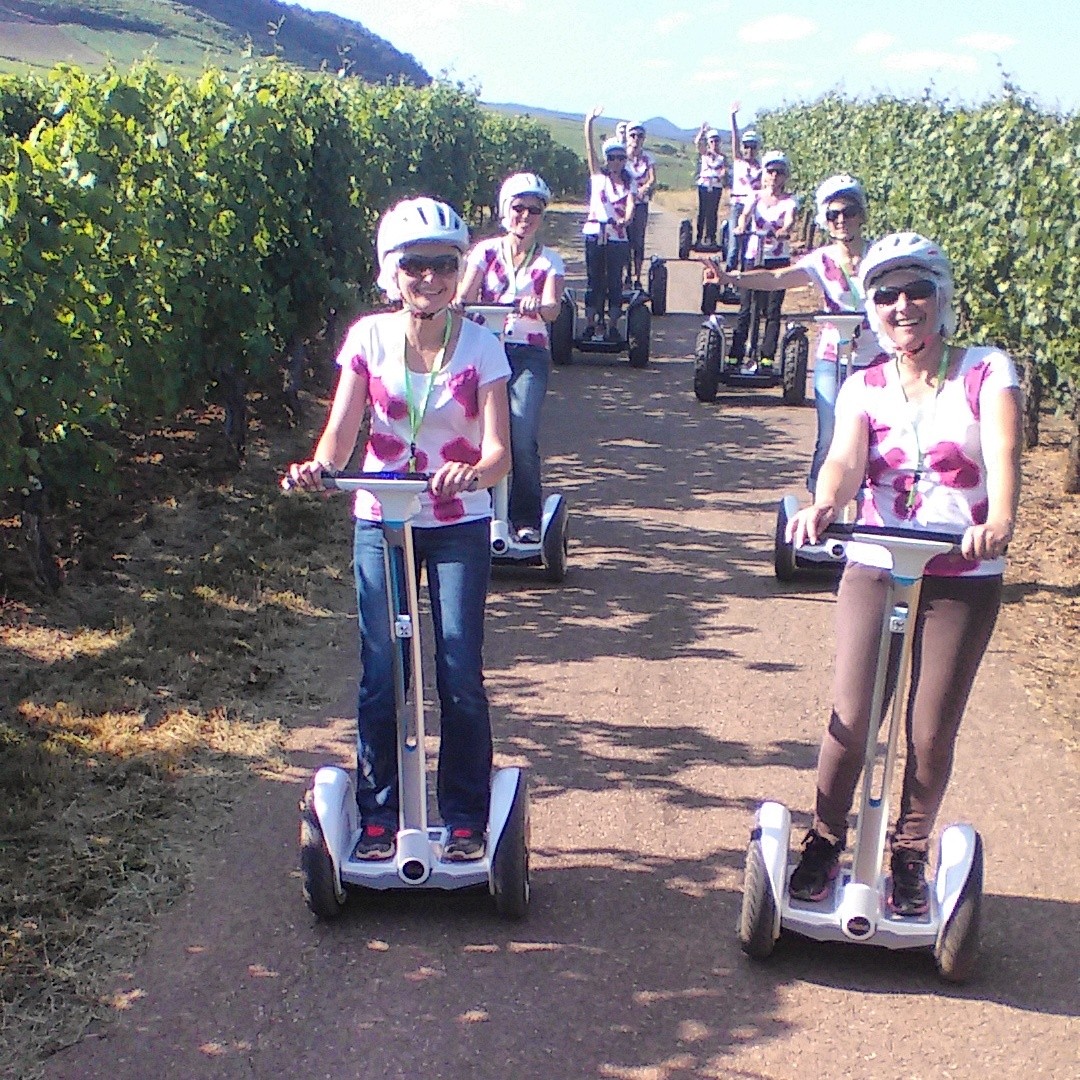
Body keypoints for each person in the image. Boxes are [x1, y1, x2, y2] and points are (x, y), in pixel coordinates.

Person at [785, 232, 1022, 916]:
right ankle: (826, 841)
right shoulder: (864, 385)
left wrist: (999, 518)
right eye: (886, 294)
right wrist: (826, 502)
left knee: (929, 730)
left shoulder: (985, 370)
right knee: (851, 718)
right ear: (872, 307)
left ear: (941, 297)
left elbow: (1003, 452)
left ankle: (909, 852)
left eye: (917, 289)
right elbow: (843, 460)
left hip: (963, 568)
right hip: (877, 559)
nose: (902, 305)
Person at [286, 197, 511, 863]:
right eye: (416, 265)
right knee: (383, 671)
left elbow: (500, 451)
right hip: (381, 517)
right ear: (392, 271)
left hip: (456, 522)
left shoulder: (483, 348)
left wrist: (471, 474)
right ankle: (379, 816)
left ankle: (465, 816)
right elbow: (342, 430)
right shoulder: (368, 339)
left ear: (459, 270)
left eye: (444, 264)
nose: (431, 278)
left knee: (458, 669)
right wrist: (320, 468)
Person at [715, 174, 882, 491]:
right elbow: (777, 277)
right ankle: (821, 501)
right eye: (833, 215)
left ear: (861, 215)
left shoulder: (881, 258)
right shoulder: (821, 261)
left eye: (848, 212)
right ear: (825, 221)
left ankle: (870, 502)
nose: (842, 220)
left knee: (876, 435)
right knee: (831, 434)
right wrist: (732, 279)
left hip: (876, 360)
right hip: (833, 358)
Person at [456, 172, 566, 544]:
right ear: (506, 210)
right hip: (484, 350)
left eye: (534, 210)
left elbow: (552, 308)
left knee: (520, 432)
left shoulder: (549, 261)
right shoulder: (485, 253)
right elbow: (464, 294)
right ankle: (478, 511)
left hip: (527, 354)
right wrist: (461, 301)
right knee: (476, 432)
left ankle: (525, 519)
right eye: (519, 208)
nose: (526, 216)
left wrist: (540, 304)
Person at [727, 150, 798, 370]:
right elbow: (745, 214)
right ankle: (736, 354)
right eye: (771, 171)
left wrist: (785, 231)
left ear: (785, 176)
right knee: (746, 307)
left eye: (779, 172)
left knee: (772, 309)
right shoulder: (755, 196)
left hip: (778, 260)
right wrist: (740, 225)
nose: (775, 176)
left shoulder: (789, 201)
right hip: (752, 256)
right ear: (764, 174)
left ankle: (767, 356)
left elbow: (790, 220)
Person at [583, 107, 636, 339]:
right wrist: (589, 123)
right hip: (595, 232)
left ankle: (613, 326)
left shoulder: (628, 182)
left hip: (617, 236)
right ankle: (591, 324)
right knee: (595, 281)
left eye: (620, 158)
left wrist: (626, 220)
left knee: (614, 281)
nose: (616, 161)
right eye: (612, 157)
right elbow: (589, 150)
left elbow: (632, 205)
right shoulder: (598, 178)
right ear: (607, 159)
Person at [726, 102, 763, 270]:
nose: (749, 150)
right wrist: (733, 117)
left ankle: (742, 281)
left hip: (753, 208)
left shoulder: (762, 169)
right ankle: (727, 279)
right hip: (737, 205)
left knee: (749, 247)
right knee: (734, 246)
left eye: (753, 147)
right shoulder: (738, 162)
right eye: (747, 146)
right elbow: (734, 139)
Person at [623, 121, 657, 286]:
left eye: (640, 136)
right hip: (623, 205)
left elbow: (652, 178)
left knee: (638, 241)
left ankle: (637, 277)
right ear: (627, 137)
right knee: (624, 241)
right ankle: (626, 275)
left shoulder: (648, 158)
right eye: (633, 135)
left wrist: (645, 188)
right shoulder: (620, 156)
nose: (636, 139)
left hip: (641, 204)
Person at [693, 123, 727, 248]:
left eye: (716, 141)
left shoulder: (722, 157)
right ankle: (699, 238)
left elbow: (724, 170)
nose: (714, 143)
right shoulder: (705, 154)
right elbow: (697, 143)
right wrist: (702, 131)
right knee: (702, 211)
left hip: (716, 186)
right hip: (704, 185)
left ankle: (711, 238)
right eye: (712, 141)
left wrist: (722, 175)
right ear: (708, 142)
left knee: (713, 212)